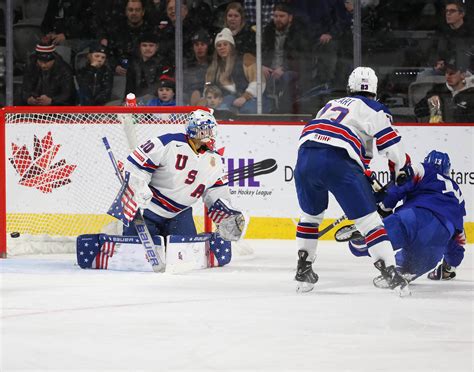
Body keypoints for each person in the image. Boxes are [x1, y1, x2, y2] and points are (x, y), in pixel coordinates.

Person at [293, 66, 413, 295]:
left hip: (306, 155)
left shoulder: (330, 104)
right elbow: (390, 145)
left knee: (310, 216)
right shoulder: (375, 108)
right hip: (339, 160)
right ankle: (389, 272)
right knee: (369, 222)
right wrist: (400, 171)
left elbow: (331, 136)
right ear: (375, 90)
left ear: (349, 87)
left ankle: (303, 268)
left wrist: (364, 173)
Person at [344, 150, 466, 284]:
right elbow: (459, 240)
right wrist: (449, 267)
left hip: (414, 217)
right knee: (408, 268)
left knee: (363, 245)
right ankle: (404, 272)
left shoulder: (425, 168)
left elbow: (401, 183)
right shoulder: (458, 198)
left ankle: (363, 236)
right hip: (439, 236)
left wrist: (385, 208)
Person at [122, 109, 246, 241]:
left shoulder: (216, 162)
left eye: (210, 130)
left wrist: (227, 217)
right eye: (203, 130)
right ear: (192, 132)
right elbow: (135, 166)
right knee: (135, 255)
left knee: (186, 256)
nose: (208, 135)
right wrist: (139, 188)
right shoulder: (168, 143)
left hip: (180, 214)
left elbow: (216, 194)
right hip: (148, 211)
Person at [261, 2, 311, 113]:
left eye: (281, 16)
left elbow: (301, 57)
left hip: (290, 70)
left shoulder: (299, 32)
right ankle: (267, 110)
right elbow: (261, 52)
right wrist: (262, 66)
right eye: (275, 16)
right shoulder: (268, 30)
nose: (278, 19)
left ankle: (283, 111)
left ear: (290, 17)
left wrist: (283, 68)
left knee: (287, 78)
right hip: (269, 70)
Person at [205, 28, 267, 114]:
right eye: (219, 45)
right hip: (224, 101)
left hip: (252, 98)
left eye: (225, 44)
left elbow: (258, 82)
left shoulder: (246, 59)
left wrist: (245, 97)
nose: (222, 47)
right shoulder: (212, 69)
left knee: (247, 110)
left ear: (231, 46)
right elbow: (208, 85)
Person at [414, 58, 474, 123]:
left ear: (463, 75)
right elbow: (418, 112)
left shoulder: (471, 93)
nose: (448, 76)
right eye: (446, 73)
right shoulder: (437, 90)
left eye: (452, 73)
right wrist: (429, 105)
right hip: (440, 130)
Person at [124, 32, 169, 99]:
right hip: (135, 101)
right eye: (144, 45)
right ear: (140, 47)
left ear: (157, 47)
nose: (147, 48)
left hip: (156, 101)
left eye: (151, 45)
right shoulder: (134, 64)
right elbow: (129, 88)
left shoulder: (163, 63)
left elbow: (162, 87)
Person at [184, 29, 212, 105]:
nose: (199, 47)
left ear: (207, 46)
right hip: (189, 98)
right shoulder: (187, 64)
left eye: (202, 44)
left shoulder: (213, 63)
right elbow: (184, 86)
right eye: (196, 45)